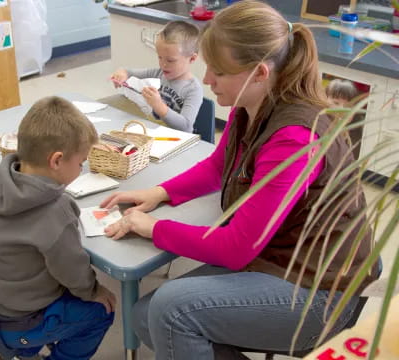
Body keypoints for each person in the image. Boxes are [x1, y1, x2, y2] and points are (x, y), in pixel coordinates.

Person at [100, 1, 380, 359]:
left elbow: (236, 248)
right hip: (282, 256)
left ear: (260, 72)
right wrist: (159, 192)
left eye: (218, 71)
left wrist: (154, 228)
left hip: (319, 290)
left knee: (171, 310)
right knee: (144, 317)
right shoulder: (252, 105)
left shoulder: (295, 137)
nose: (206, 81)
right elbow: (219, 166)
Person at [0, 96, 116, 360]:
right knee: (101, 312)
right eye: (81, 162)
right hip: (21, 321)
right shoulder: (56, 210)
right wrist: (94, 291)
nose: (82, 168)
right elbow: (72, 271)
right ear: (57, 160)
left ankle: (27, 347)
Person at [110, 20, 203, 132]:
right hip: (154, 133)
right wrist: (121, 74)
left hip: (177, 140)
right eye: (160, 57)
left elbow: (186, 126)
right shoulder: (158, 73)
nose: (163, 64)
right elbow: (128, 72)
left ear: (192, 58)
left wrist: (159, 106)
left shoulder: (193, 90)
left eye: (170, 60)